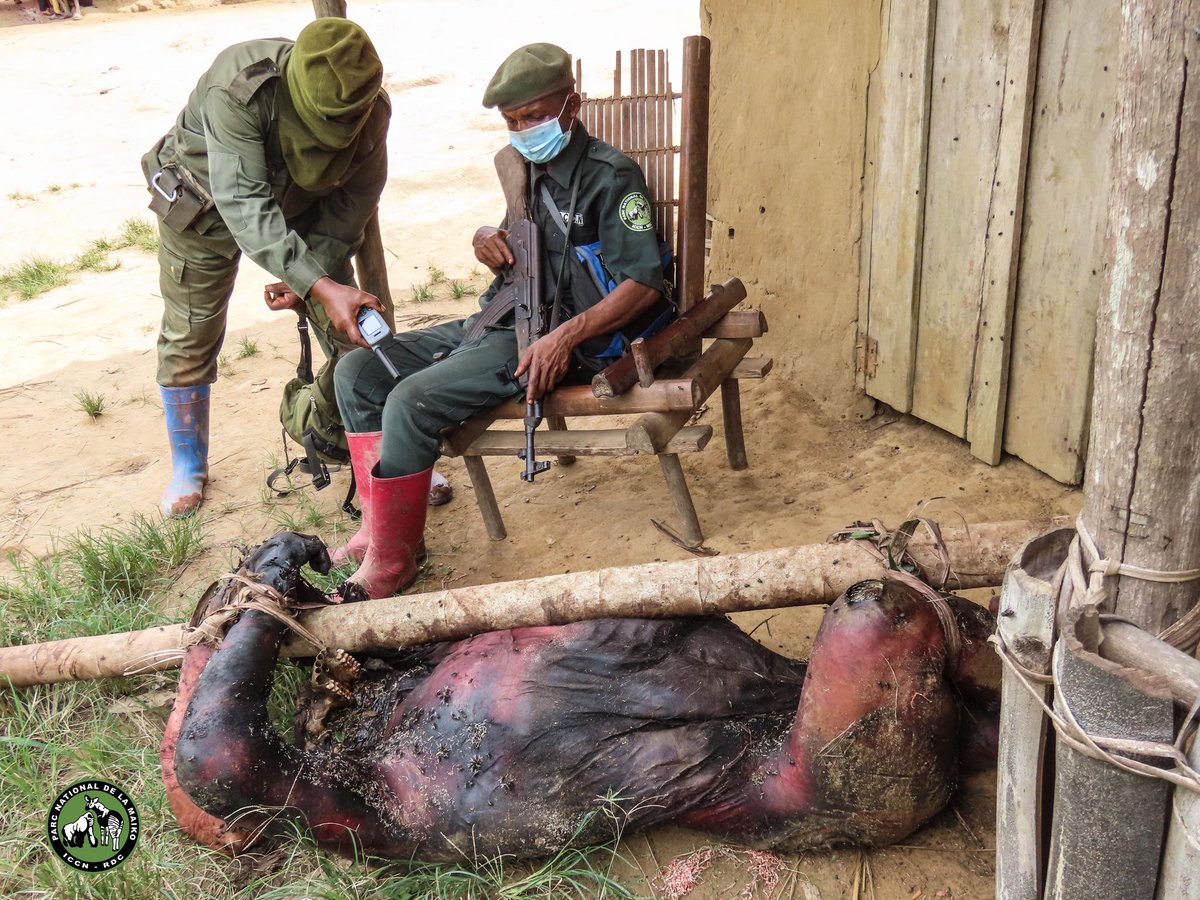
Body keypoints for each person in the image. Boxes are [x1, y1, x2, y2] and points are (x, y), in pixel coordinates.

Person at [332, 42, 672, 598]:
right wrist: (486, 239)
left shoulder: (611, 177)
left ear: (571, 106)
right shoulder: (526, 171)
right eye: (512, 121)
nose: (522, 131)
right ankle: (379, 530)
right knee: (357, 373)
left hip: (561, 339)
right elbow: (519, 243)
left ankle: (393, 562)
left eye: (533, 117)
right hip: (502, 318)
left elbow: (643, 283)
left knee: (411, 401)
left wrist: (564, 336)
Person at [143, 18, 392, 519]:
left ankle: (387, 448)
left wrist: (317, 281)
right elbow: (244, 205)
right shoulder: (239, 90)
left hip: (305, 207)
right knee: (192, 329)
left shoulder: (371, 108)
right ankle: (189, 465)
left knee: (355, 326)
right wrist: (316, 282)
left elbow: (355, 202)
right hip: (205, 204)